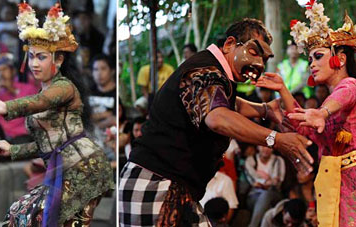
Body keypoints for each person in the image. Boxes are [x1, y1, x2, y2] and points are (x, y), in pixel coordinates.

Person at [119, 18, 314, 226]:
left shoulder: (214, 75)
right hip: (153, 185)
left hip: (174, 187)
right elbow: (217, 117)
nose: (259, 64)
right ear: (230, 44)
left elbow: (225, 104)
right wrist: (276, 139)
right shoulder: (204, 71)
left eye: (264, 59)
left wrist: (264, 109)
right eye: (254, 52)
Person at [0, 3, 113, 226]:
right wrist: (12, 149)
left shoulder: (64, 87)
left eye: (42, 57)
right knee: (18, 214)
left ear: (58, 60)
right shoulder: (44, 90)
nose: (34, 64)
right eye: (32, 57)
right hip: (62, 170)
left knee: (39, 218)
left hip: (85, 169)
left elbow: (40, 103)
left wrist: (7, 107)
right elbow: (50, 144)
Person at [259, 3, 356, 225]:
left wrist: (322, 112)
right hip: (333, 181)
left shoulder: (352, 86)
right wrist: (283, 89)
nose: (312, 64)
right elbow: (304, 125)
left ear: (340, 59)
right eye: (310, 59)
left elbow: (344, 95)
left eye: (318, 56)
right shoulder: (327, 105)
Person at [245, 145, 286, 227]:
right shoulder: (251, 159)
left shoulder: (278, 160)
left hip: (274, 194)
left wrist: (262, 182)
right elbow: (253, 181)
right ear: (258, 147)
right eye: (263, 146)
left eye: (269, 147)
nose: (266, 149)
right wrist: (268, 180)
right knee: (265, 201)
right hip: (254, 195)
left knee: (266, 195)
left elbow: (277, 182)